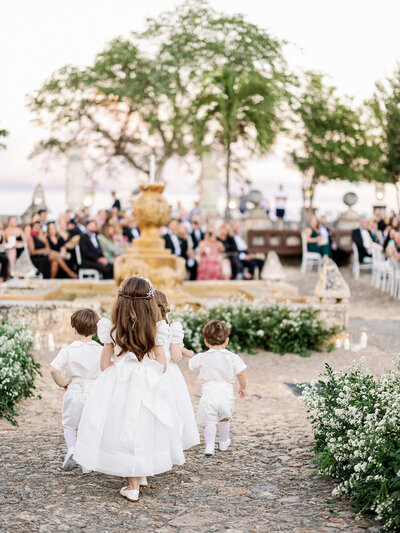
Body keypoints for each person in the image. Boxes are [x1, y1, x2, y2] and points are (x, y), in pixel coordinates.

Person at [73, 276, 185, 502]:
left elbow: (104, 365)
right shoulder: (157, 329)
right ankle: (140, 474)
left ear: (121, 302)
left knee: (124, 428)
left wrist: (120, 363)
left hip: (120, 384)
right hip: (147, 382)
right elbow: (162, 366)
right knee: (144, 426)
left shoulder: (112, 329)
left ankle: (132, 485)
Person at [50, 309, 102, 472]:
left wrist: (62, 383)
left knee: (70, 425)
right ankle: (87, 463)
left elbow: (53, 369)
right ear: (95, 330)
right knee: (90, 426)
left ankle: (72, 449)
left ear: (74, 329)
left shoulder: (68, 350)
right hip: (94, 394)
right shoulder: (100, 350)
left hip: (74, 392)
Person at [187, 320, 247, 456]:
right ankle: (224, 442)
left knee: (210, 421)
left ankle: (209, 447)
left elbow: (190, 364)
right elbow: (241, 373)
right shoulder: (232, 357)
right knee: (224, 418)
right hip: (226, 394)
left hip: (208, 395)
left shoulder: (202, 357)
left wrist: (188, 355)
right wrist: (243, 387)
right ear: (227, 341)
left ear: (206, 342)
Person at [154, 290, 200, 450]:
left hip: (152, 371)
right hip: (170, 374)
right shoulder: (171, 327)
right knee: (173, 408)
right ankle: (172, 443)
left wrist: (183, 350)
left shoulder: (146, 327)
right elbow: (175, 357)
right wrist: (181, 350)